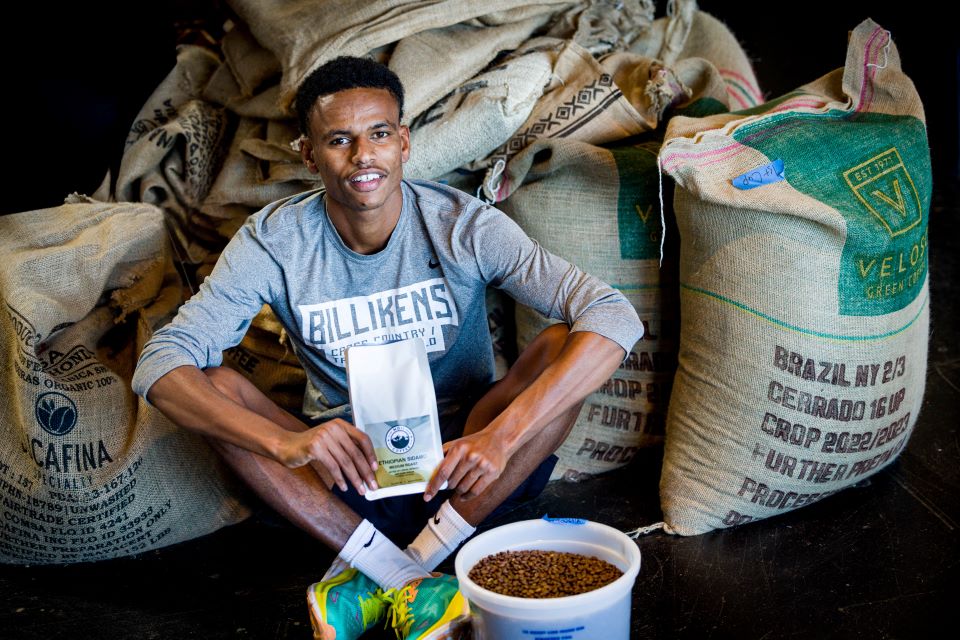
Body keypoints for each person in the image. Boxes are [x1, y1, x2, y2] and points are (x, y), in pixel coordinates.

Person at [132, 55, 643, 639]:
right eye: (339, 140)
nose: (362, 156)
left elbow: (612, 314)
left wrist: (500, 437)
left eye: (378, 134)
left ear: (403, 142)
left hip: (469, 463)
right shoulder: (274, 240)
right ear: (308, 154)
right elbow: (161, 362)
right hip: (348, 473)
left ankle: (391, 567)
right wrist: (287, 441)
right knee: (218, 386)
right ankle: (409, 580)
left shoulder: (462, 224)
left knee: (560, 346)